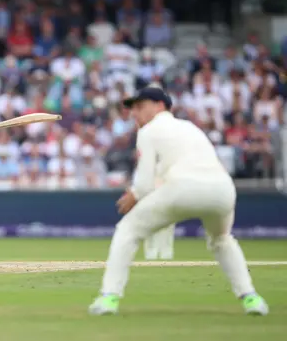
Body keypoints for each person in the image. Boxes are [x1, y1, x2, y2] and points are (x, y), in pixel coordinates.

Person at [88, 87, 269, 316]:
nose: (135, 113)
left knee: (127, 230)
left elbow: (143, 184)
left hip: (183, 189)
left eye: (140, 107)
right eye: (133, 108)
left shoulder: (149, 131)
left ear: (159, 106)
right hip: (222, 190)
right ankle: (251, 298)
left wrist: (133, 195)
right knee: (222, 239)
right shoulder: (190, 128)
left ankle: (108, 298)